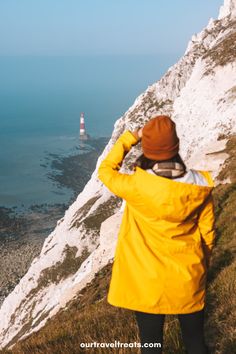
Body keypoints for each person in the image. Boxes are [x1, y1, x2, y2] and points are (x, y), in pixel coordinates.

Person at [97, 115, 215, 354]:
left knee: (151, 346)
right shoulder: (199, 187)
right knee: (195, 343)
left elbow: (105, 170)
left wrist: (132, 137)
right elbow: (208, 234)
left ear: (147, 149)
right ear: (176, 146)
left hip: (146, 282)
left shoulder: (136, 187)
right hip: (187, 276)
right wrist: (201, 266)